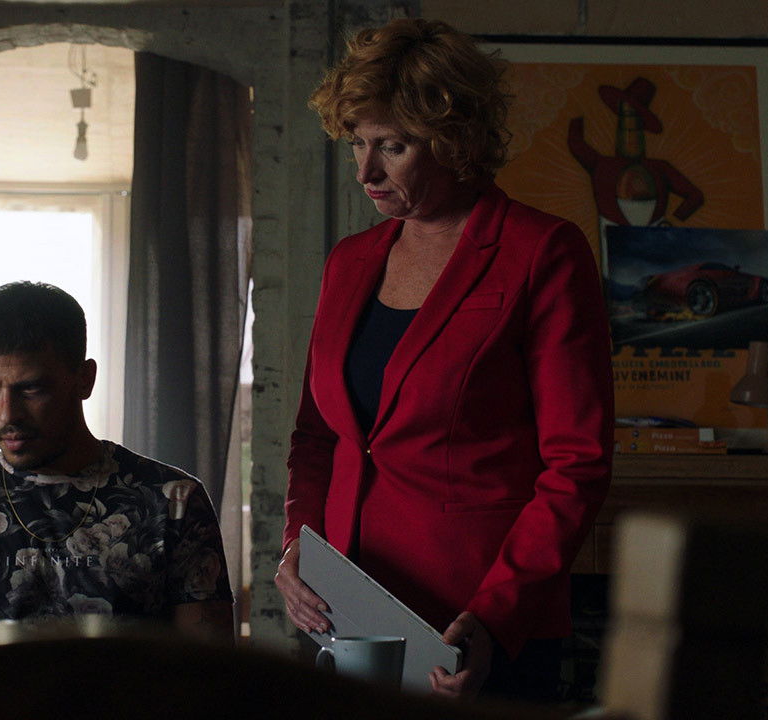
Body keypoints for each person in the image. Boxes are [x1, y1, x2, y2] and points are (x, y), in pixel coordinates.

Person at [275, 18, 613, 703]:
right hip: (345, 616)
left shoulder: (541, 252)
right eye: (357, 143)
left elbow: (577, 463)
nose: (366, 171)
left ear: (455, 139)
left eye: (392, 147)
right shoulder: (350, 261)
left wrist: (495, 614)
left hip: (478, 627)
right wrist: (297, 548)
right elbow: (318, 437)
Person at [0, 281, 233, 671]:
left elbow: (211, 678)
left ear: (84, 379)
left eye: (30, 389)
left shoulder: (172, 502)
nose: (6, 415)